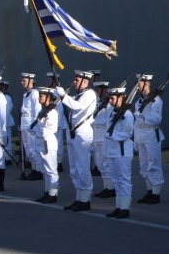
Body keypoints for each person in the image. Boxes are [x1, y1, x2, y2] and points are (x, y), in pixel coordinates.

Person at [57, 70, 99, 210]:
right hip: (73, 131)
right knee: (74, 167)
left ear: (85, 81)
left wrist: (63, 95)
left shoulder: (89, 94)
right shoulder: (78, 95)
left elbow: (78, 107)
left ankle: (85, 200)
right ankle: (79, 197)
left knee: (82, 166)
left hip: (83, 132)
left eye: (77, 80)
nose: (74, 82)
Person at [104, 84, 136, 218]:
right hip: (112, 150)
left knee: (124, 179)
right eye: (110, 99)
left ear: (121, 98)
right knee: (116, 180)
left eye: (112, 99)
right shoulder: (113, 113)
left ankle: (125, 208)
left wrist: (112, 136)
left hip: (122, 151)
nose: (110, 101)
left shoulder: (128, 114)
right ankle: (118, 206)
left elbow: (128, 133)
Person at [132, 73, 165, 203]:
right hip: (140, 135)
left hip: (151, 135)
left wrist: (143, 118)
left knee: (154, 164)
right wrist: (135, 138)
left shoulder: (156, 100)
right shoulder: (138, 102)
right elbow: (136, 123)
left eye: (139, 82)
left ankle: (156, 194)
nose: (137, 85)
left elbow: (157, 119)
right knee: (144, 165)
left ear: (146, 83)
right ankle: (149, 191)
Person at [33, 84, 61, 203]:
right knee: (45, 169)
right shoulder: (43, 111)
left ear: (48, 97)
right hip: (41, 142)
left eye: (42, 95)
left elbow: (51, 129)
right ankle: (47, 191)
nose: (39, 97)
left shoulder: (52, 112)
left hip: (48, 142)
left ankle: (53, 194)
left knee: (51, 169)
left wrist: (39, 132)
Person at [17, 73, 42, 181]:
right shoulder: (26, 94)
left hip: (31, 124)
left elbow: (37, 111)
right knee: (28, 150)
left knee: (33, 149)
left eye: (24, 80)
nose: (21, 82)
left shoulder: (34, 93)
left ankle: (38, 171)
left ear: (30, 81)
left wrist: (35, 125)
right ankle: (33, 169)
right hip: (25, 123)